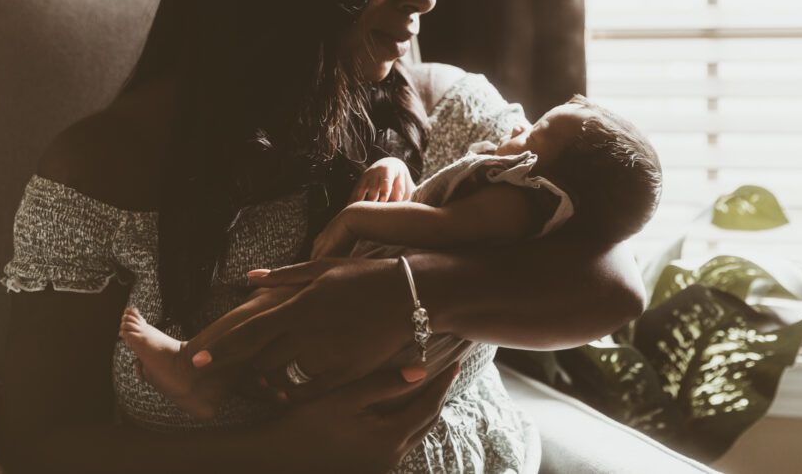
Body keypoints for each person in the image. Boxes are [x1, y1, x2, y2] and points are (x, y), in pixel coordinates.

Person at [0, 0, 648, 472]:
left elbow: (613, 285)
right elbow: (39, 442)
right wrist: (281, 454)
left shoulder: (453, 115)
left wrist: (402, 293)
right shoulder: (104, 168)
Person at [117, 95, 662, 419]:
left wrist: (364, 229)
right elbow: (438, 203)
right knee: (275, 302)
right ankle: (201, 371)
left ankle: (195, 366)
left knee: (277, 303)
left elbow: (449, 227)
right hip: (366, 303)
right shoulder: (518, 185)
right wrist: (396, 171)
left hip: (385, 301)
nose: (518, 127)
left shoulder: (518, 200)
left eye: (536, 133)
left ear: (553, 181)